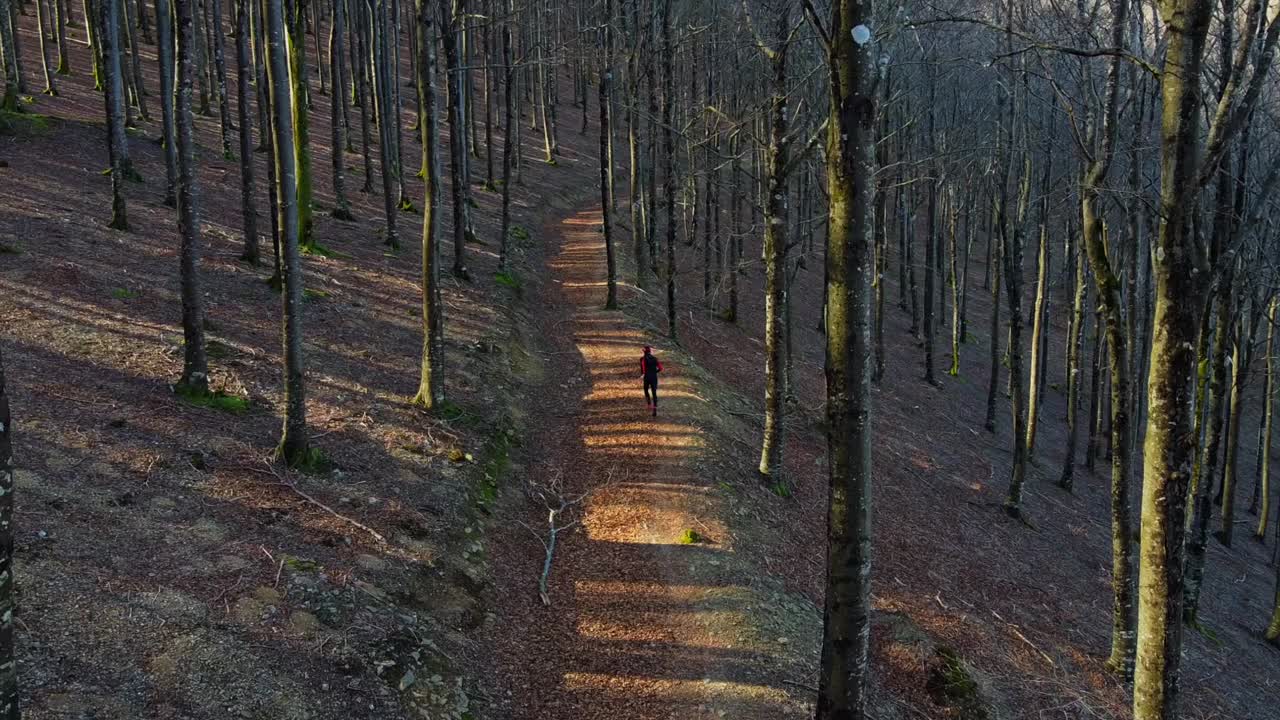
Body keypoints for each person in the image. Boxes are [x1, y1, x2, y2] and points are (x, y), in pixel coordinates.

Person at [641, 345, 662, 417]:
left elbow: (643, 369)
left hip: (646, 377)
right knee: (654, 393)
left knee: (646, 390)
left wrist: (643, 374)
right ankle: (654, 410)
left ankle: (649, 403)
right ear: (650, 351)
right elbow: (661, 368)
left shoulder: (642, 359)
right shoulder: (655, 359)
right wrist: (655, 372)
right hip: (653, 378)